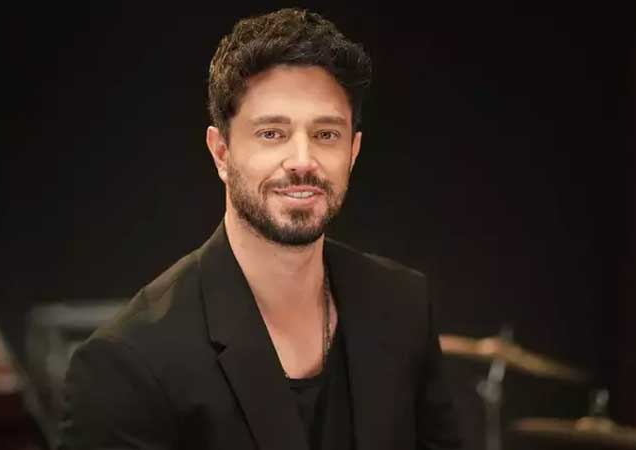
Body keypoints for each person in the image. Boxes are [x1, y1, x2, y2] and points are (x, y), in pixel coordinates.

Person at [58, 7, 461, 450]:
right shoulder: (127, 366)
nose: (303, 160)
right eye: (272, 133)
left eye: (326, 134)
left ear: (354, 151)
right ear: (221, 152)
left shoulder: (402, 307)